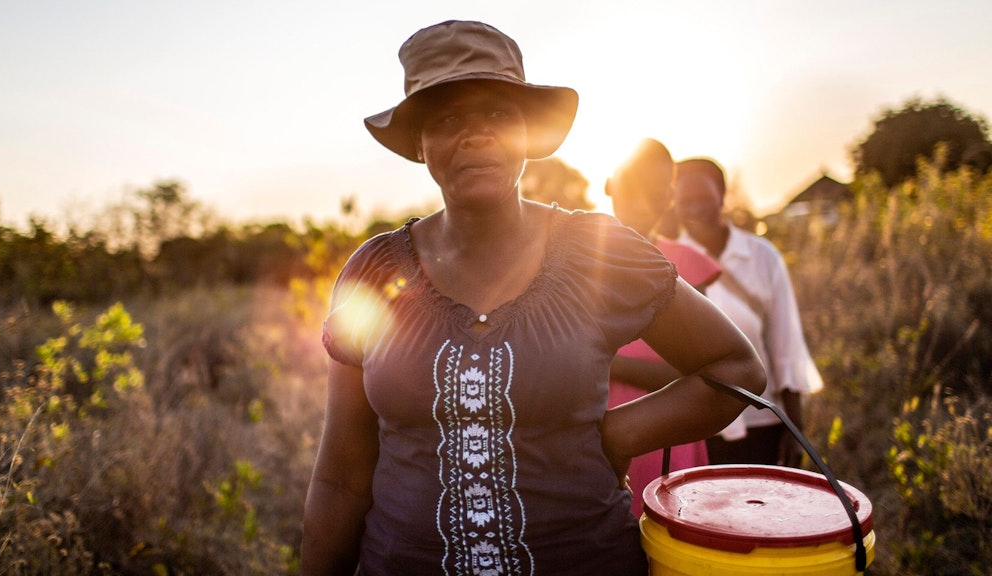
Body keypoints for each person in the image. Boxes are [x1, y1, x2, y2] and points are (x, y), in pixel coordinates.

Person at [301, 20, 766, 576]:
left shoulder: (600, 253)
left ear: (527, 133)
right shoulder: (375, 273)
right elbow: (340, 476)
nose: (477, 135)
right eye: (447, 118)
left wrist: (622, 433)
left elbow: (736, 367)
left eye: (498, 113)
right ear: (420, 144)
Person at [673, 157, 823, 468]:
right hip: (700, 430)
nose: (695, 209)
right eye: (685, 201)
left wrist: (795, 429)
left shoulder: (763, 256)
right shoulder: (668, 263)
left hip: (764, 422)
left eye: (703, 198)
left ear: (722, 196)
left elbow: (786, 344)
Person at [604, 139, 721, 518]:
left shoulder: (686, 264)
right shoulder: (577, 261)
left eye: (655, 191)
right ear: (609, 186)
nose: (642, 200)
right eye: (631, 186)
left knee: (668, 538)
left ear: (669, 195)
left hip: (668, 435)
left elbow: (703, 370)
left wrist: (608, 364)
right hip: (594, 438)